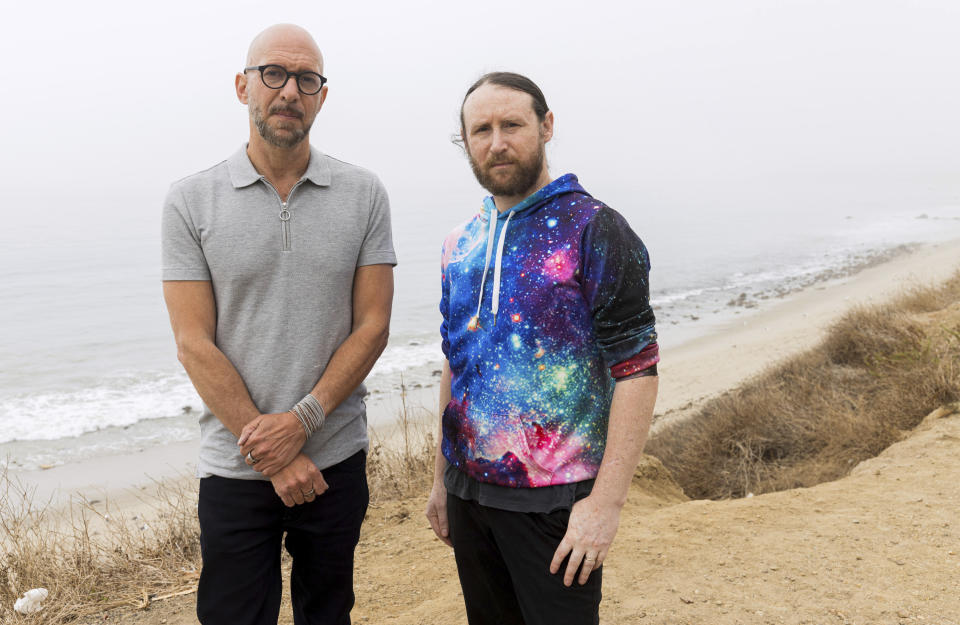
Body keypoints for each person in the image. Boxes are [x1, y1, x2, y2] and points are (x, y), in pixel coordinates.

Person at [161, 24, 396, 625]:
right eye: (274, 74)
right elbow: (193, 343)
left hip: (335, 459)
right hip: (235, 467)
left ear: (321, 95)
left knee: (328, 614)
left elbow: (372, 326)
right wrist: (273, 453)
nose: (289, 90)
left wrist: (303, 422)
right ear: (243, 86)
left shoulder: (364, 194)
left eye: (306, 79)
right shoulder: (190, 202)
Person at [424, 72, 660, 625]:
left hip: (555, 502)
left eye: (512, 125)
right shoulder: (459, 244)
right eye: (480, 130)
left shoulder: (595, 228)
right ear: (465, 142)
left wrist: (604, 506)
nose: (497, 142)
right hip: (468, 495)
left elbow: (638, 372)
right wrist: (440, 481)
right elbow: (454, 365)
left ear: (546, 126)